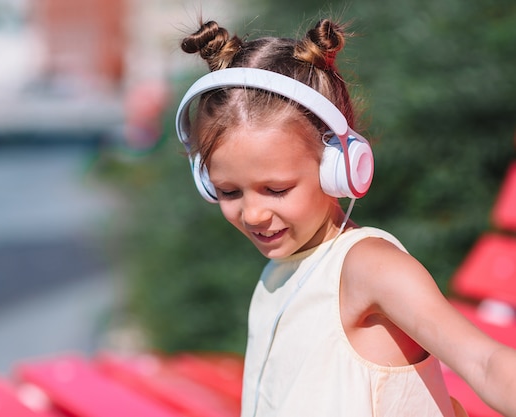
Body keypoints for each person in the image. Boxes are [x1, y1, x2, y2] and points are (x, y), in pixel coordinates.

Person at [174, 18, 516, 417]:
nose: (252, 213)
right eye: (229, 191)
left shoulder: (369, 268)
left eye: (277, 189)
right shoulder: (281, 273)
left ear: (340, 168)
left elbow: (486, 363)